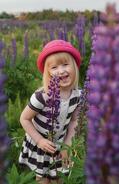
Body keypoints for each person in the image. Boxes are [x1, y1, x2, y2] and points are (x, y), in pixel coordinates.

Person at [19, 39, 82, 184]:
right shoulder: (42, 97)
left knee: (59, 179)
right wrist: (39, 140)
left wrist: (68, 144)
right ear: (47, 72)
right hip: (40, 144)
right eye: (54, 67)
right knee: (42, 179)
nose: (61, 70)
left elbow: (74, 121)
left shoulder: (78, 95)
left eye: (65, 64)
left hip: (60, 144)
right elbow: (24, 119)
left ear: (75, 67)